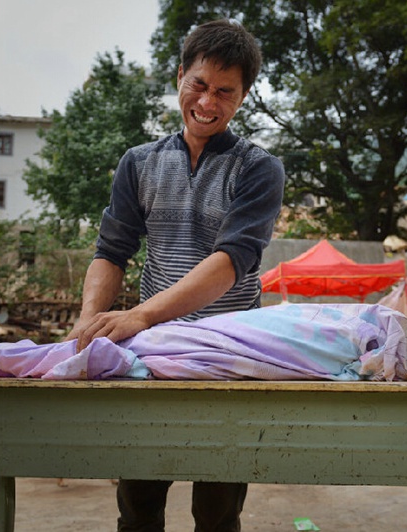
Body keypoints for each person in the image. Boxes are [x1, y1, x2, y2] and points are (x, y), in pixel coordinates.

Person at [66, 19, 285, 532]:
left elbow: (233, 261)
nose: (208, 103)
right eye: (200, 85)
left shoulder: (259, 168)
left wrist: (139, 315)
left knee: (217, 511)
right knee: (139, 501)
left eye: (225, 93)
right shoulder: (138, 162)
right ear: (180, 75)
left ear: (243, 97)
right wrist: (89, 320)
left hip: (231, 355)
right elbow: (111, 251)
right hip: (155, 354)